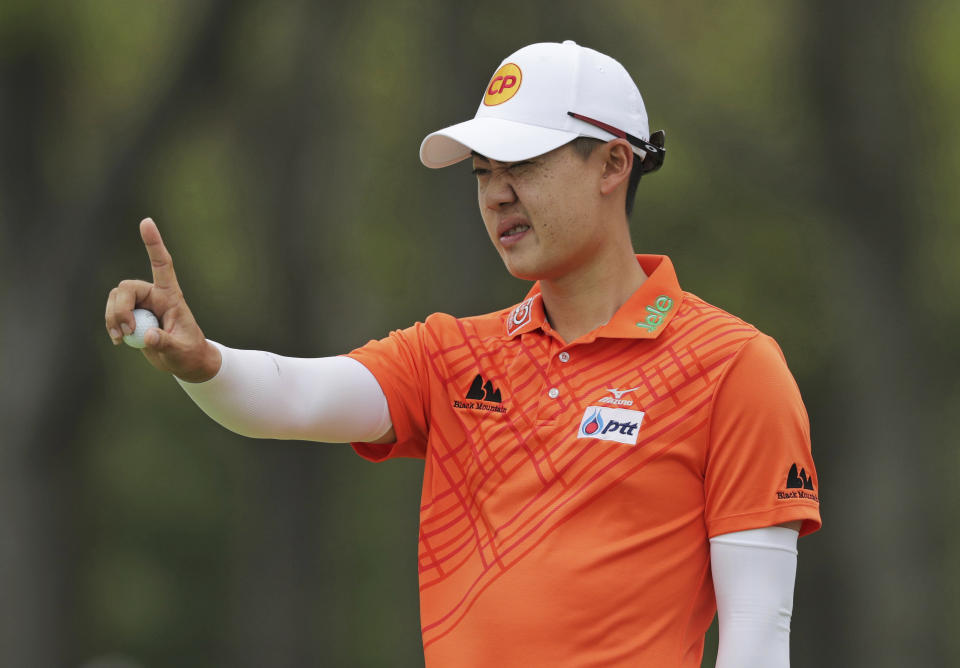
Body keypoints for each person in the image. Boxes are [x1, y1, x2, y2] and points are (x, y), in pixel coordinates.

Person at [104, 40, 820, 668]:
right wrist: (203, 362)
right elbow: (292, 397)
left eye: (522, 164)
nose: (496, 195)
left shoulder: (732, 367)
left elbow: (758, 641)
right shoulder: (450, 356)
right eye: (481, 171)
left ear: (611, 164)